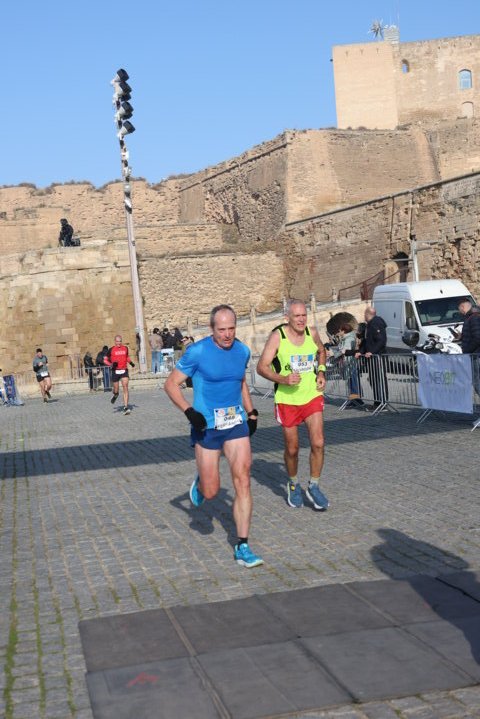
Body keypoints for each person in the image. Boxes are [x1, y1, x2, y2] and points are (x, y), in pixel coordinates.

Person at [164, 304, 263, 568]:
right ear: (211, 329)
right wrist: (189, 412)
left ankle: (242, 545)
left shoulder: (242, 351)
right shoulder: (197, 352)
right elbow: (170, 384)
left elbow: (240, 381)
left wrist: (251, 412)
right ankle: (201, 483)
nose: (227, 334)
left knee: (243, 480)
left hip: (235, 423)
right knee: (211, 491)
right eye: (222, 330)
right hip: (206, 426)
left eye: (231, 328)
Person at [256, 299, 329, 511]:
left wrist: (321, 372)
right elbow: (262, 367)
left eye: (304, 315)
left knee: (318, 442)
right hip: (287, 400)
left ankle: (314, 486)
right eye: (297, 316)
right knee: (292, 448)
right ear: (287, 317)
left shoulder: (311, 332)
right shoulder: (277, 336)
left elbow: (321, 351)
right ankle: (293, 483)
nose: (301, 319)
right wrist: (283, 379)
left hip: (311, 395)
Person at [355, 306, 389, 412]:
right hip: (372, 358)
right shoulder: (369, 325)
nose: (364, 316)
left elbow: (381, 340)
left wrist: (372, 352)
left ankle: (382, 403)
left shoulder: (376, 323)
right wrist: (360, 352)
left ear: (367, 314)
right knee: (373, 380)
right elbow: (367, 341)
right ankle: (377, 402)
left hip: (377, 357)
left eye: (364, 314)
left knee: (379, 380)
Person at [103, 335, 135, 415]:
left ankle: (125, 407)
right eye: (117, 341)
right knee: (116, 389)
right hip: (115, 371)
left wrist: (131, 363)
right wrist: (111, 364)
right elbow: (105, 360)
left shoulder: (125, 348)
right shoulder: (111, 350)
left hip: (124, 370)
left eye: (120, 341)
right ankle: (116, 394)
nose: (119, 343)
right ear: (115, 341)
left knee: (125, 387)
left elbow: (126, 357)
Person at [336, 321, 363, 408]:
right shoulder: (345, 338)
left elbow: (344, 350)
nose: (339, 332)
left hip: (350, 362)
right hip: (348, 362)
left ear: (344, 331)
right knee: (351, 382)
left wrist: (335, 353)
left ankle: (356, 400)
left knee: (353, 382)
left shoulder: (349, 339)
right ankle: (354, 399)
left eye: (340, 330)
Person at [457, 297, 480, 397]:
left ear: (462, 307)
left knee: (477, 381)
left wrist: (467, 350)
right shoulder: (470, 317)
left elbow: (477, 338)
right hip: (475, 354)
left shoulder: (473, 318)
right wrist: (462, 337)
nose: (459, 311)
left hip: (476, 355)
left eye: (459, 309)